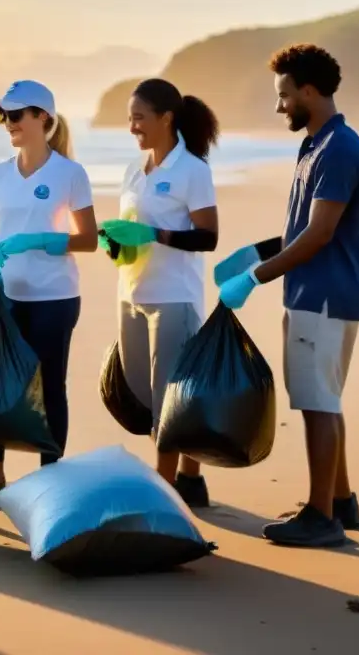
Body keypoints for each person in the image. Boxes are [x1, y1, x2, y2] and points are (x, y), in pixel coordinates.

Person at [214, 44, 359, 548]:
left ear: (309, 90)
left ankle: (321, 516)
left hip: (322, 297)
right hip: (314, 291)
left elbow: (320, 234)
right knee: (325, 398)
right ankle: (341, 501)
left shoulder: (338, 149)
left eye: (284, 96)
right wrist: (254, 252)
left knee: (316, 403)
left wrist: (255, 278)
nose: (279, 107)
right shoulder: (316, 145)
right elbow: (302, 228)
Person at [0, 80, 99, 503]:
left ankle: (50, 478)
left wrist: (41, 239)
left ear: (44, 118)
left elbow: (89, 239)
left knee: (49, 385)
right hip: (6, 295)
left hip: (55, 297)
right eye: (4, 116)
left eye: (16, 115)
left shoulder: (69, 174)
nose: (8, 123)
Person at [96, 78, 220, 507]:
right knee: (143, 392)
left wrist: (154, 232)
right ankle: (190, 476)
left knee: (168, 398)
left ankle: (165, 494)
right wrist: (113, 241)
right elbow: (128, 235)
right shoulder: (134, 170)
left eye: (139, 118)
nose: (133, 127)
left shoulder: (193, 170)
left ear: (166, 118)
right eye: (129, 119)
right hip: (130, 293)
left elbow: (208, 238)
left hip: (174, 297)